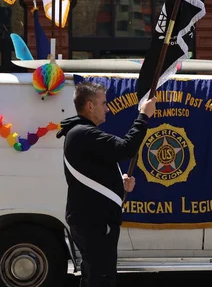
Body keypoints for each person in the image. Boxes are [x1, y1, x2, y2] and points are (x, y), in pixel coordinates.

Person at [56, 82, 156, 287]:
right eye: (104, 103)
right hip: (94, 221)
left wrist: (118, 184)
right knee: (100, 277)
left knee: (97, 274)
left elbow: (92, 171)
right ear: (90, 106)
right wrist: (143, 116)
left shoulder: (80, 133)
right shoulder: (84, 133)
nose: (108, 108)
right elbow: (124, 148)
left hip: (92, 219)